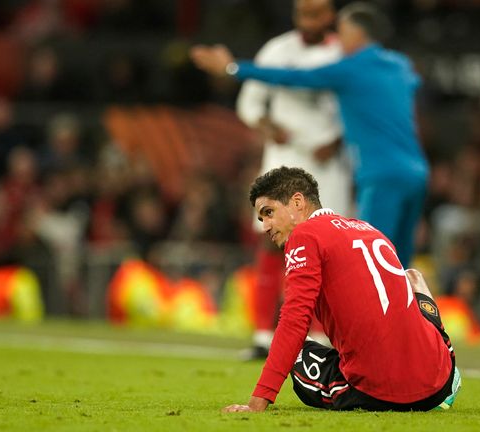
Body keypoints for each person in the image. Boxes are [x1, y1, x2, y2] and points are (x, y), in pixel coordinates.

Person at [190, 2, 429, 269]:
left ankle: (364, 312)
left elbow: (296, 77)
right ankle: (408, 310)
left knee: (372, 258)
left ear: (357, 34)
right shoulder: (400, 65)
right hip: (416, 170)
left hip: (380, 174)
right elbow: (412, 83)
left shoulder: (349, 67)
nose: (341, 37)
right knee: (402, 260)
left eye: (344, 31)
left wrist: (232, 68)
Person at [221, 166, 461, 412]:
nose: (265, 226)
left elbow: (295, 319)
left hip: (382, 391)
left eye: (269, 212)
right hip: (438, 379)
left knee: (295, 352)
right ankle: (450, 376)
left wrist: (258, 401)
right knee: (414, 277)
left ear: (297, 202)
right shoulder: (369, 230)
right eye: (262, 218)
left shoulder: (304, 235)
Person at [235, 0, 351, 360]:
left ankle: (320, 338)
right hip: (285, 159)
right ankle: (261, 336)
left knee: (328, 248)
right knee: (271, 245)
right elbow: (249, 104)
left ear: (331, 16)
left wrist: (340, 138)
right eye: (304, 13)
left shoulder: (344, 53)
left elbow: (360, 106)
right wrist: (269, 127)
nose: (310, 21)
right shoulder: (277, 50)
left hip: (328, 165)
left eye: (317, 13)